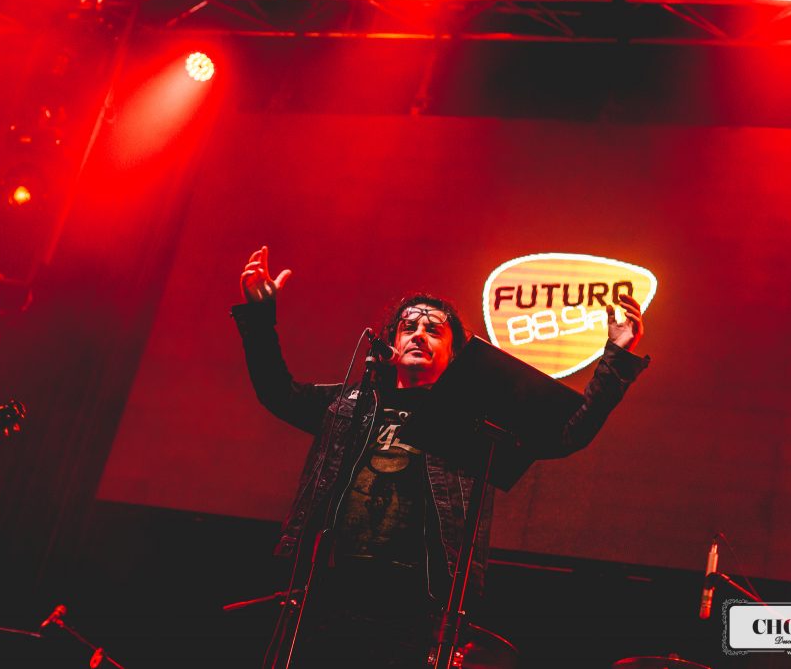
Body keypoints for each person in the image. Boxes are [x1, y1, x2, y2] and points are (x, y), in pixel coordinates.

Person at [232, 246, 649, 668]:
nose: (419, 334)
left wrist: (617, 358)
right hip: (327, 591)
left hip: (418, 605)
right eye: (408, 327)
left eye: (433, 330)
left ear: (453, 355)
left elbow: (566, 434)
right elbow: (277, 392)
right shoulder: (349, 404)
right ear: (392, 343)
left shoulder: (470, 419)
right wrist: (260, 316)